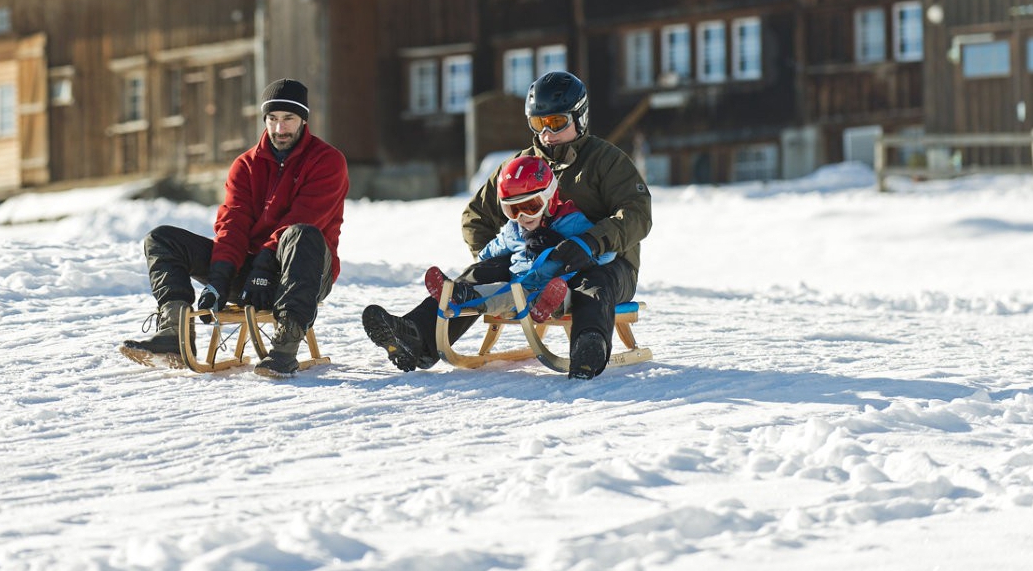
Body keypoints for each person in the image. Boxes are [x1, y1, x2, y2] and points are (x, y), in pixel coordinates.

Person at [363, 70, 651, 380]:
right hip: (535, 263)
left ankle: (588, 346)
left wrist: (592, 242)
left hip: (606, 263)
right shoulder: (520, 166)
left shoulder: (606, 161)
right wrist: (501, 259)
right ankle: (417, 335)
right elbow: (476, 217)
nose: (547, 134)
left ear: (579, 118)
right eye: (539, 124)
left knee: (592, 284)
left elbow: (637, 214)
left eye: (557, 123)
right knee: (478, 275)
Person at [120, 78, 350, 378]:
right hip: (252, 276)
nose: (280, 129)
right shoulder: (246, 165)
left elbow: (302, 218)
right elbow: (233, 224)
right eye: (273, 119)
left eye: (288, 119)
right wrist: (219, 279)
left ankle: (285, 347)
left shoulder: (327, 161)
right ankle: (173, 330)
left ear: (303, 120)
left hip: (304, 271)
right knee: (162, 239)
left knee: (301, 233)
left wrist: (265, 266)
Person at [424, 154, 615, 323]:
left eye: (531, 206)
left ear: (549, 197)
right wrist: (483, 262)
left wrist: (573, 246)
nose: (522, 216)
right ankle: (461, 295)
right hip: (521, 289)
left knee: (566, 293)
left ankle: (550, 305)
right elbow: (488, 253)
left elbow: (607, 254)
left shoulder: (571, 222)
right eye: (513, 210)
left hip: (559, 284)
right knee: (502, 294)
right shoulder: (513, 230)